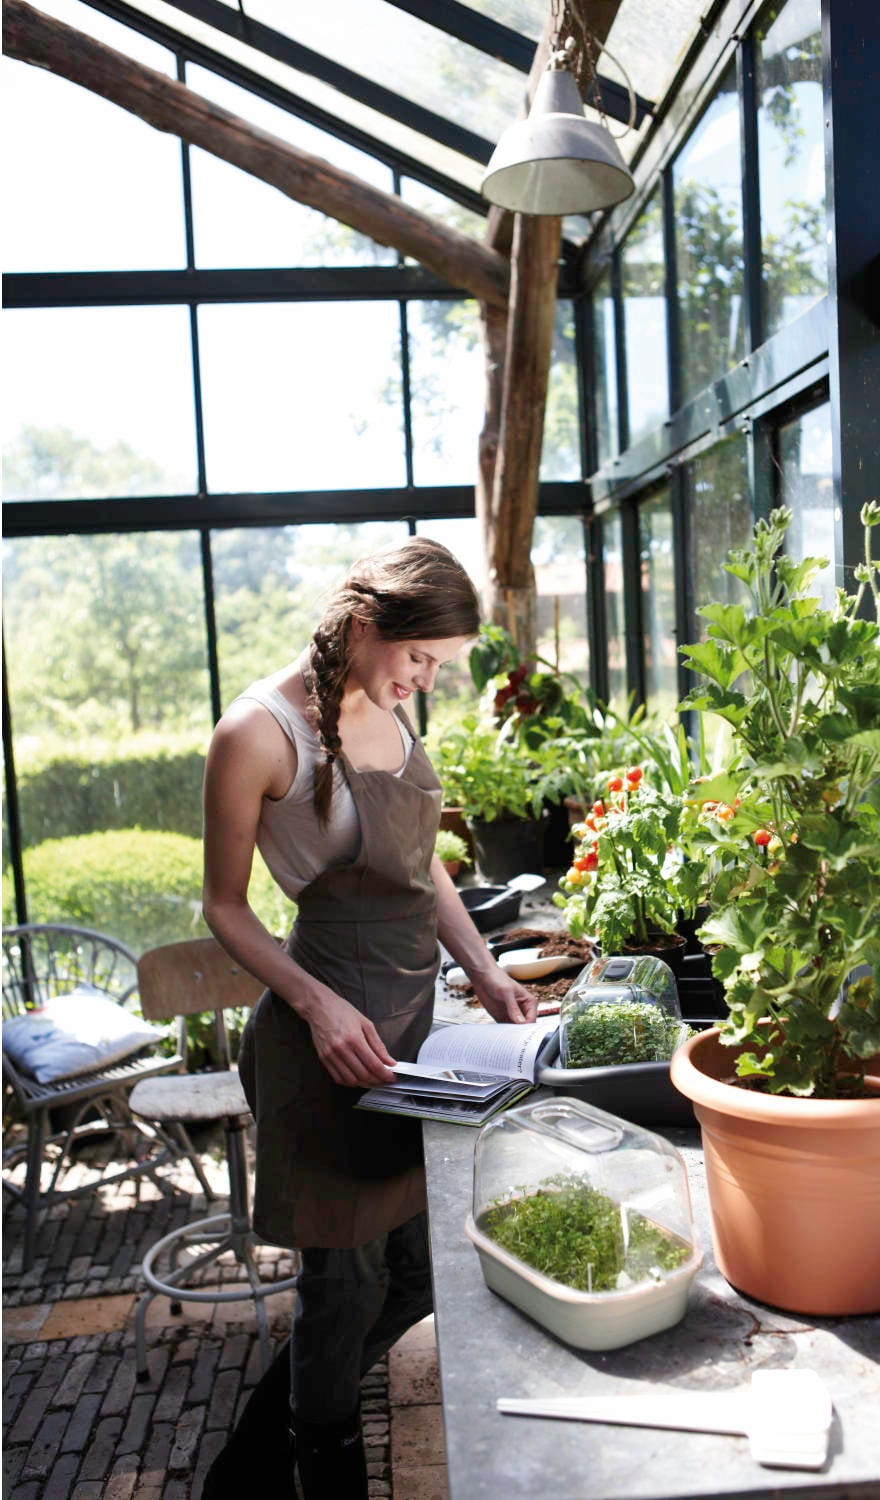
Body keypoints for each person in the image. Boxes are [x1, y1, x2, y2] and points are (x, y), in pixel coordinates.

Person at [199, 537, 537, 1499]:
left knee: (421, 1272)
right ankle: (323, 1462)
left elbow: (419, 862)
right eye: (421, 658)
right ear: (364, 623)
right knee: (342, 1287)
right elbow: (224, 906)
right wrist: (316, 1005)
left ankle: (262, 1446)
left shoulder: (388, 707)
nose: (425, 681)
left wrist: (485, 969)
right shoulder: (257, 733)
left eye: (438, 665)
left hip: (411, 1035)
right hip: (325, 1046)